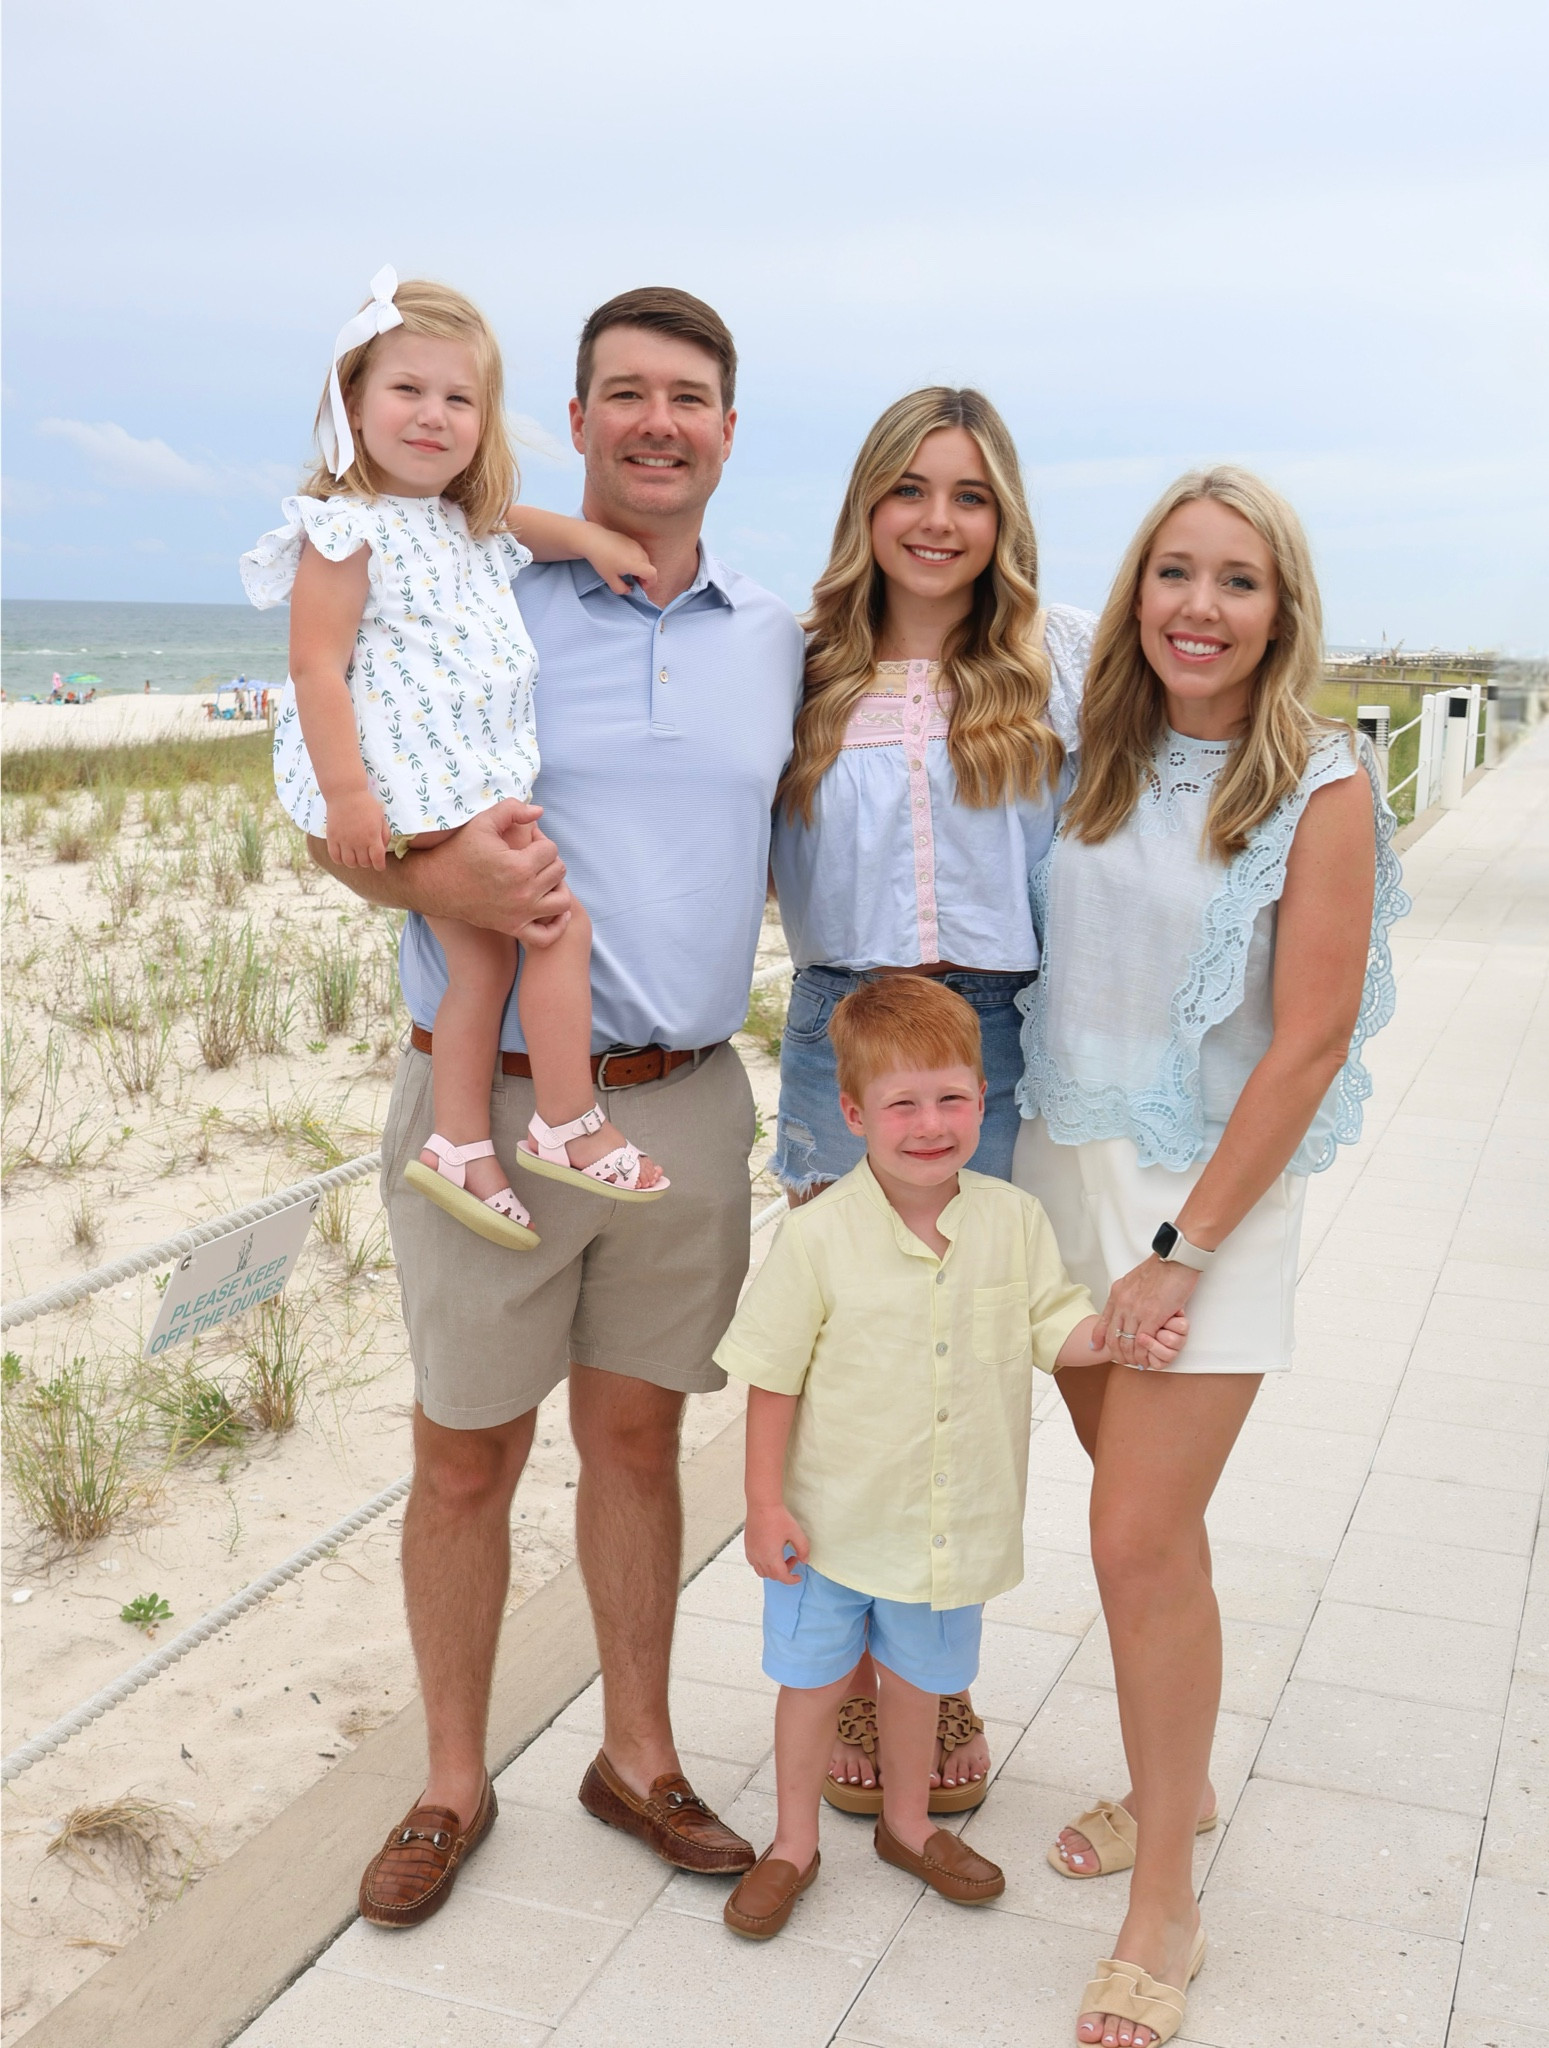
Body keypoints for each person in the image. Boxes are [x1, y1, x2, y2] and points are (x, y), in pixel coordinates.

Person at [306, 285, 804, 1926]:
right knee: (465, 1453)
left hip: (684, 1099)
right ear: (574, 424)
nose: (658, 421)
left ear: (730, 429)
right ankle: (452, 1779)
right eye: (624, 394)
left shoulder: (777, 638)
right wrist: (443, 871)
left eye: (690, 396)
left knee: (639, 1441)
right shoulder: (478, 593)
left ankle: (637, 1753)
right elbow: (332, 804)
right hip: (491, 1096)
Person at [1012, 466, 1408, 2047]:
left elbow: (1306, 1043)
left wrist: (1180, 1251)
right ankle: (1169, 1785)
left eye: (1235, 580)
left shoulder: (1318, 779)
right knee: (1146, 1535)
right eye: (1171, 572)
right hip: (1062, 1169)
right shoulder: (1080, 752)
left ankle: (1161, 1898)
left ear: (1280, 610)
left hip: (1205, 1206)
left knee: (1131, 1539)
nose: (1197, 605)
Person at [769, 385, 1095, 1815]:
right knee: (853, 1358)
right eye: (909, 489)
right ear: (867, 507)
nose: (937, 520)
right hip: (838, 1020)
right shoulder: (793, 667)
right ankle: (838, 1673)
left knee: (958, 1354)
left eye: (967, 494)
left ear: (1000, 517)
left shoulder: (1056, 667)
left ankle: (935, 1675)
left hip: (992, 1034)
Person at [713, 977, 1186, 1940]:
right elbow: (772, 1378)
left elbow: (1056, 1326)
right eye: (902, 1104)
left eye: (952, 1099)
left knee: (923, 1683)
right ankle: (793, 1844)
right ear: (852, 1113)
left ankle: (907, 1823)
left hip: (947, 1521)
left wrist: (1122, 1335)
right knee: (811, 1686)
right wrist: (764, 1505)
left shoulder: (1012, 1220)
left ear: (985, 1098)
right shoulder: (816, 1238)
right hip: (831, 1524)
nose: (930, 1125)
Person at [242, 271, 669, 1251]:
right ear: (352, 401)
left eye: (459, 398)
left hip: (459, 779)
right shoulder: (344, 530)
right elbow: (314, 664)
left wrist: (599, 540)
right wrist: (348, 799)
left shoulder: (460, 522)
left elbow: (526, 526)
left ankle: (459, 1140)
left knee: (479, 958)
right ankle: (568, 1119)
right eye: (407, 390)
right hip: (406, 784)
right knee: (556, 922)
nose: (433, 415)